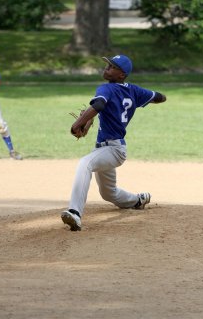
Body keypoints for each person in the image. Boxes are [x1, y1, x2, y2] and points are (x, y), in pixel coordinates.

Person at [61, 54, 166, 231]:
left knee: (84, 164)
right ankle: (138, 199)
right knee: (109, 193)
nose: (107, 68)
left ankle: (75, 213)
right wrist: (153, 97)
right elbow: (160, 97)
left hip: (113, 149)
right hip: (109, 150)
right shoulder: (134, 91)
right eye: (108, 65)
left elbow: (99, 105)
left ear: (121, 74)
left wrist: (78, 123)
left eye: (112, 66)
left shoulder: (106, 89)